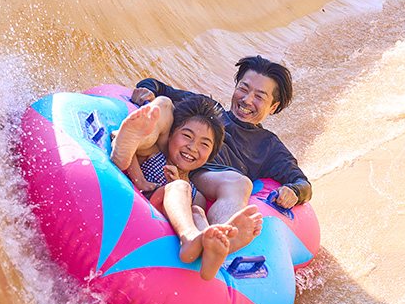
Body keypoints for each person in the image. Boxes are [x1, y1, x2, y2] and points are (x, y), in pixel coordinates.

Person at [131, 55, 312, 257]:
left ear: (273, 107)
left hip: (208, 176)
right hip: (169, 159)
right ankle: (128, 144)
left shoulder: (268, 146)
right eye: (244, 89)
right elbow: (159, 88)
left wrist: (293, 191)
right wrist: (147, 91)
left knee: (240, 183)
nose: (247, 100)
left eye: (259, 97)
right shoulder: (208, 110)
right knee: (162, 108)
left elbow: (302, 182)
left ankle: (216, 241)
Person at [110, 93, 262, 280]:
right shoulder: (154, 152)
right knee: (180, 187)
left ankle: (214, 244)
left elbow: (191, 211)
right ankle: (189, 238)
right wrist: (140, 179)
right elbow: (135, 152)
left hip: (169, 217)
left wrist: (180, 188)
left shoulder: (195, 192)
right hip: (147, 199)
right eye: (187, 136)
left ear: (210, 156)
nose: (192, 147)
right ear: (171, 134)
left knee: (197, 209)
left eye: (204, 144)